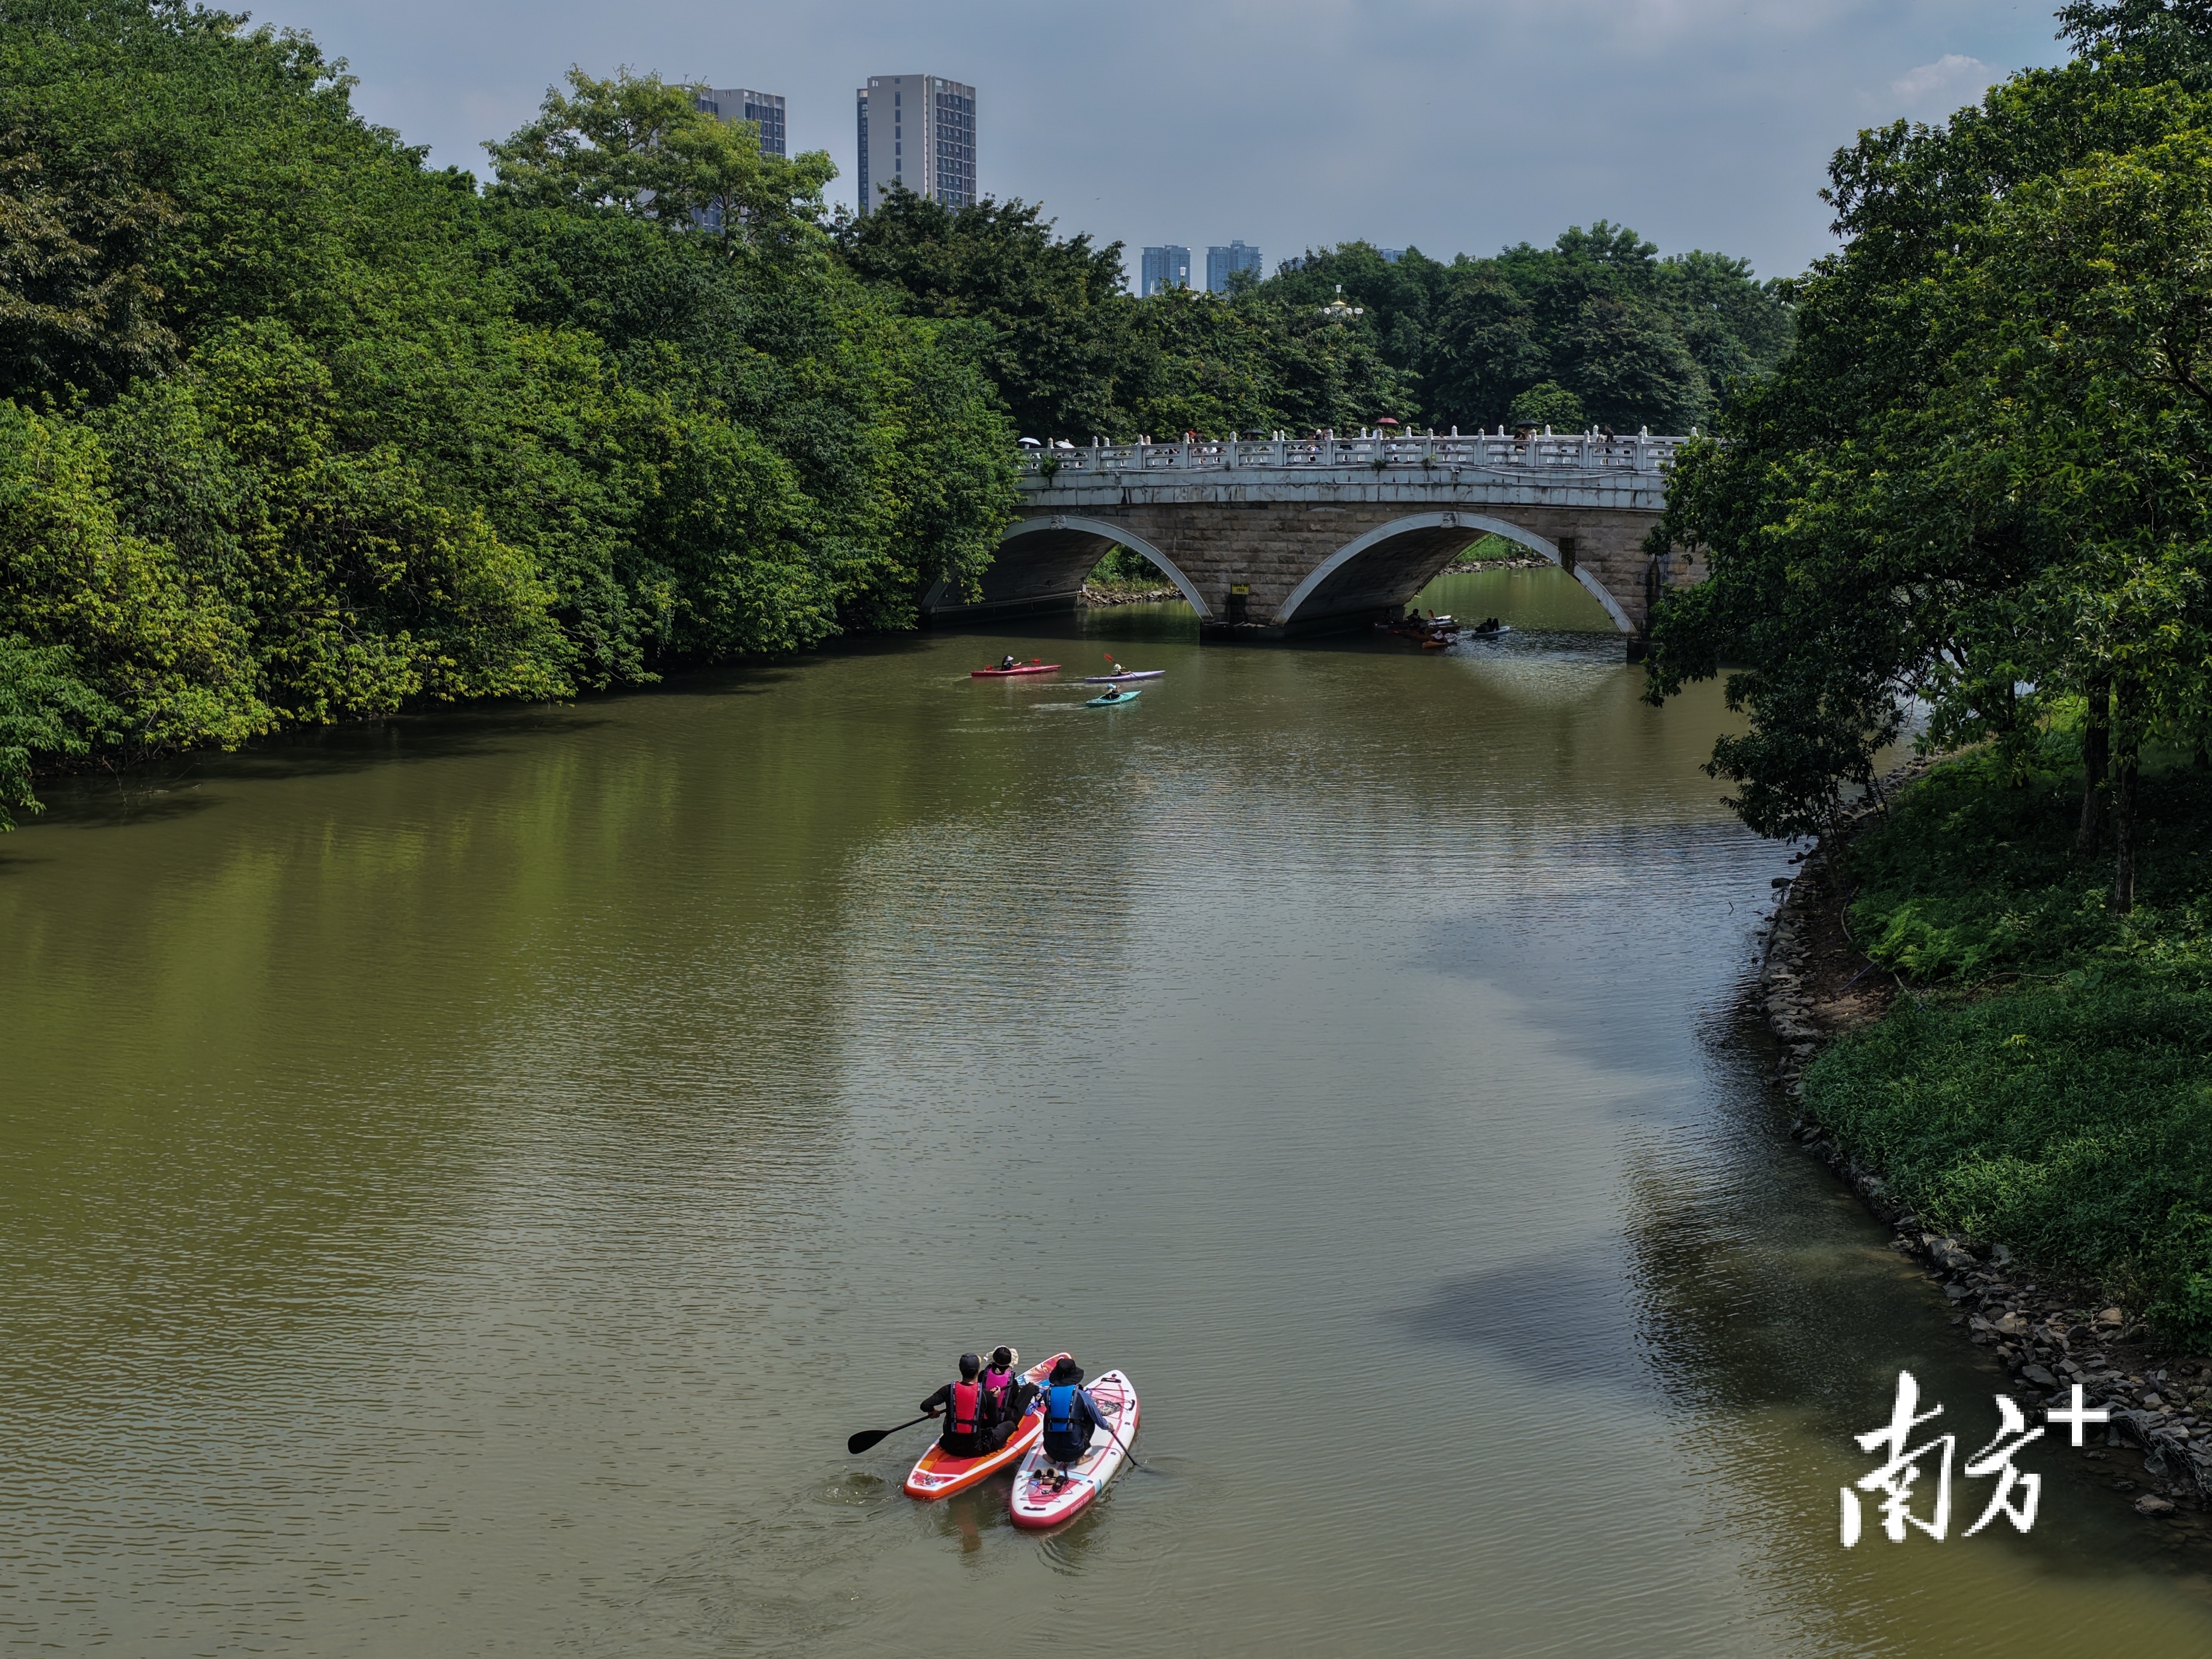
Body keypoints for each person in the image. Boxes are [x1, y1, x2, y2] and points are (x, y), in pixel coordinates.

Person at [921, 1353, 1013, 1458]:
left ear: (960, 1370)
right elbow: (994, 1423)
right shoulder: (985, 1394)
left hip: (950, 1446)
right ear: (978, 1372)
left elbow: (925, 1405)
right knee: (1010, 1425)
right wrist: (994, 1399)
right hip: (976, 1448)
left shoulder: (948, 1390)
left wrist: (932, 1411)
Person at [1040, 1357, 1116, 1480]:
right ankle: (1081, 1458)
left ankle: (1051, 1458)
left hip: (1050, 1449)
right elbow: (1099, 1420)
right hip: (1075, 1453)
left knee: (1049, 1415)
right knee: (1089, 1417)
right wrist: (1108, 1427)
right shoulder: (1081, 1395)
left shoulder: (1046, 1393)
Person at [980, 1346, 1035, 1426]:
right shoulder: (1012, 1382)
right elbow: (1015, 1401)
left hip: (983, 1420)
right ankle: (1034, 1390)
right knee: (1030, 1388)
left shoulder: (982, 1375)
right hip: (1003, 1421)